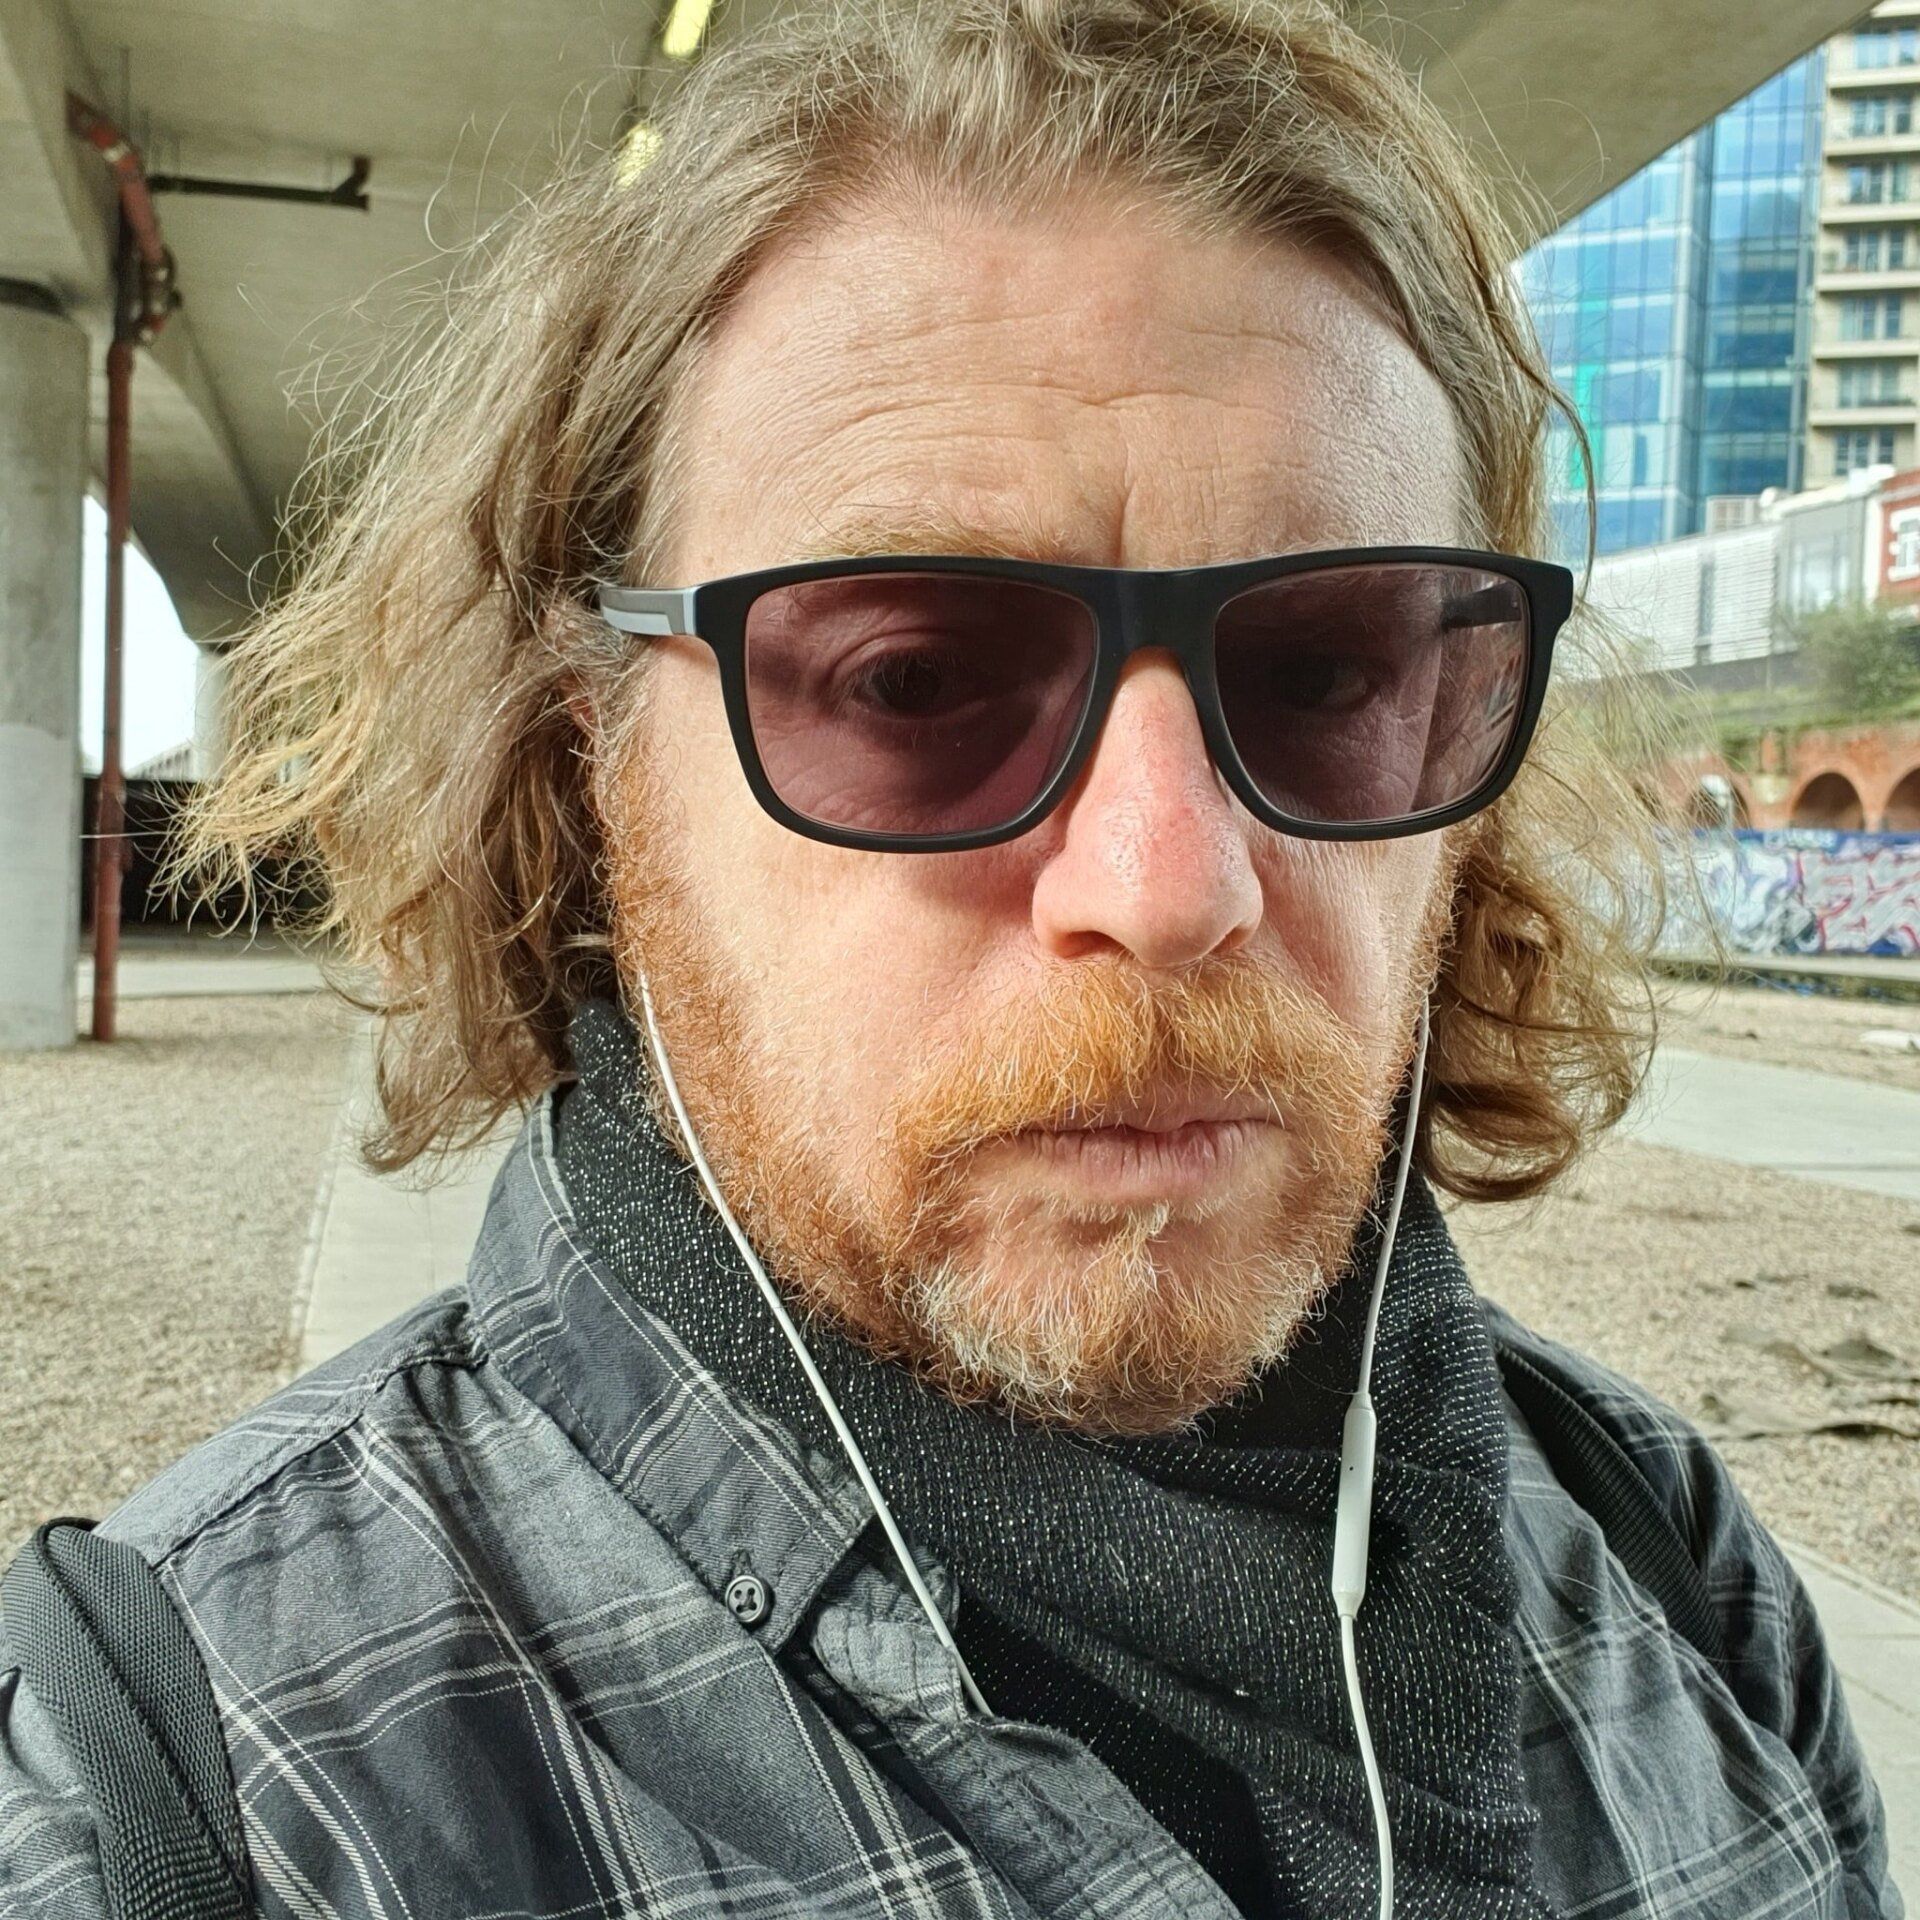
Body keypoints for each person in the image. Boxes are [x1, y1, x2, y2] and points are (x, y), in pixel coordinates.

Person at [0, 3, 1901, 1916]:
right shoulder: (189, 1796)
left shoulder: (1677, 1575)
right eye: (912, 680)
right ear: (590, 765)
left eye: (1326, 675)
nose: (1170, 886)